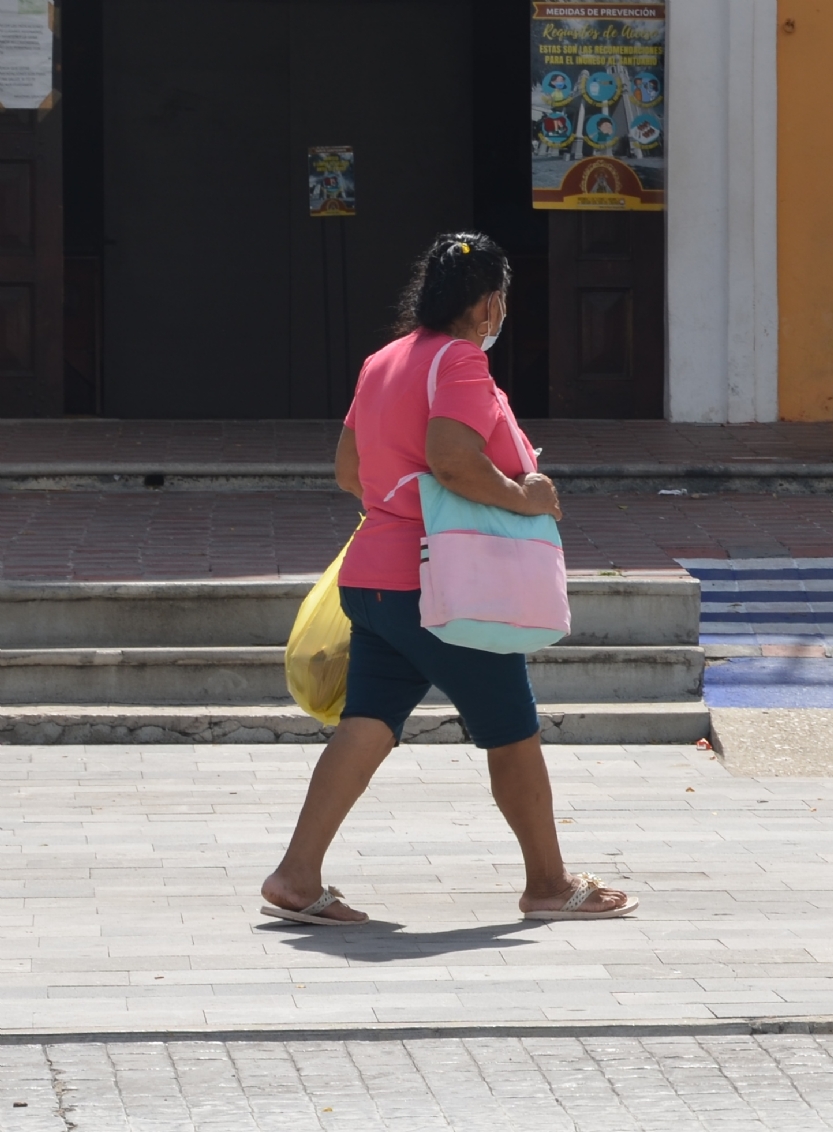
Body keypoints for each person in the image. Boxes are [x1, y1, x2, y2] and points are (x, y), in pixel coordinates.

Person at [261, 233, 635, 926]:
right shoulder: (460, 361)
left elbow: (351, 471)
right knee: (512, 727)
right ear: (490, 304)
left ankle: (295, 875)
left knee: (368, 724)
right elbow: (454, 461)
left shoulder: (383, 361)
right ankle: (549, 884)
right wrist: (529, 497)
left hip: (374, 581)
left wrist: (400, 505)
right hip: (440, 587)